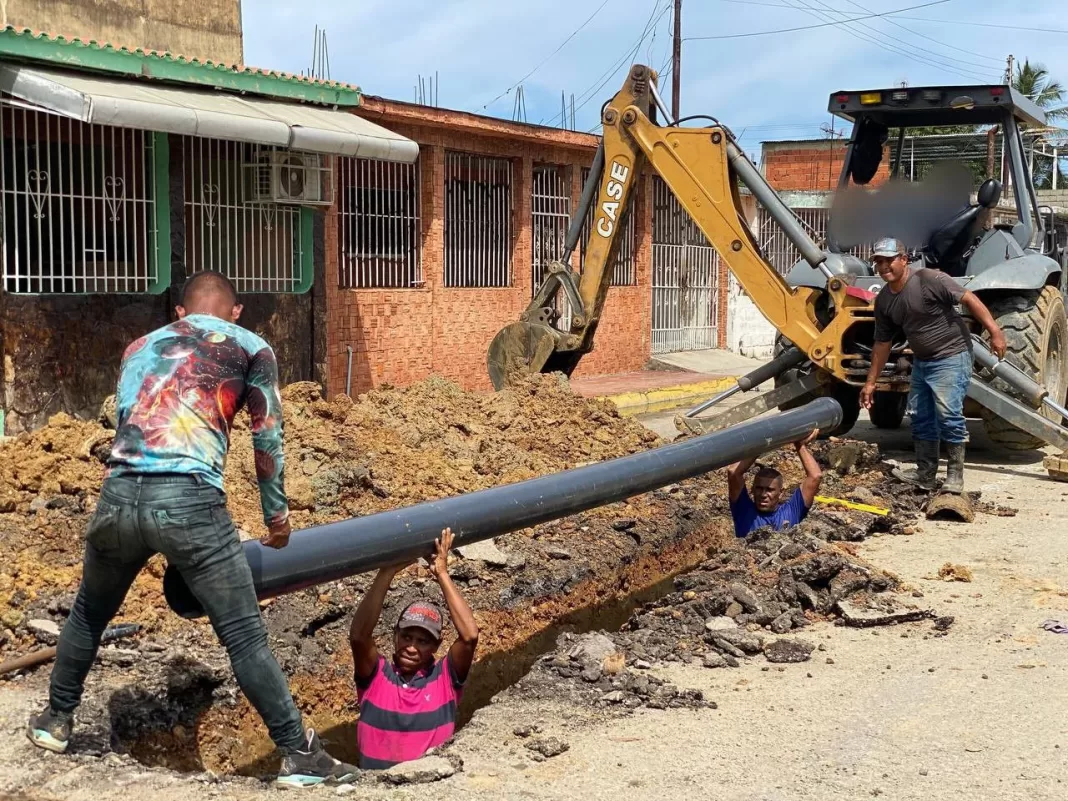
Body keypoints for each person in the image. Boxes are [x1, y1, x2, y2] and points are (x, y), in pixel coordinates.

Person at [27, 271, 358, 788]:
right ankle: (299, 754)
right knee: (245, 636)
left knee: (90, 613)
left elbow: (125, 421)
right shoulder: (251, 348)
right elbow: (267, 440)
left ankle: (54, 720)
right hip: (188, 500)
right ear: (235, 311)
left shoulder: (140, 346)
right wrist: (277, 520)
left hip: (117, 494)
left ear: (178, 314)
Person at [860, 238, 1006, 494]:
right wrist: (870, 382)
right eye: (879, 262)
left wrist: (994, 331)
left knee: (949, 415)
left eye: (889, 260)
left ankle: (955, 477)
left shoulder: (929, 279)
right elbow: (882, 344)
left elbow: (968, 298)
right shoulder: (884, 300)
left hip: (952, 356)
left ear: (904, 260)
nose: (883, 267)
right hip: (923, 362)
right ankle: (925, 474)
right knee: (920, 416)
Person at [349, 527, 479, 770]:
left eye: (423, 641)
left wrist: (441, 573)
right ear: (395, 635)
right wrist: (385, 574)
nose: (411, 647)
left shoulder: (445, 679)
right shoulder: (376, 675)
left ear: (436, 646)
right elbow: (358, 637)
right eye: (406, 636)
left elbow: (470, 636)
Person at [727, 430, 822, 538]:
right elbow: (733, 472)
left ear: (780, 493)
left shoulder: (792, 511)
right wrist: (762, 443)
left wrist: (800, 444)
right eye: (759, 488)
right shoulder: (743, 510)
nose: (763, 494)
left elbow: (815, 476)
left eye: (769, 490)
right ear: (752, 490)